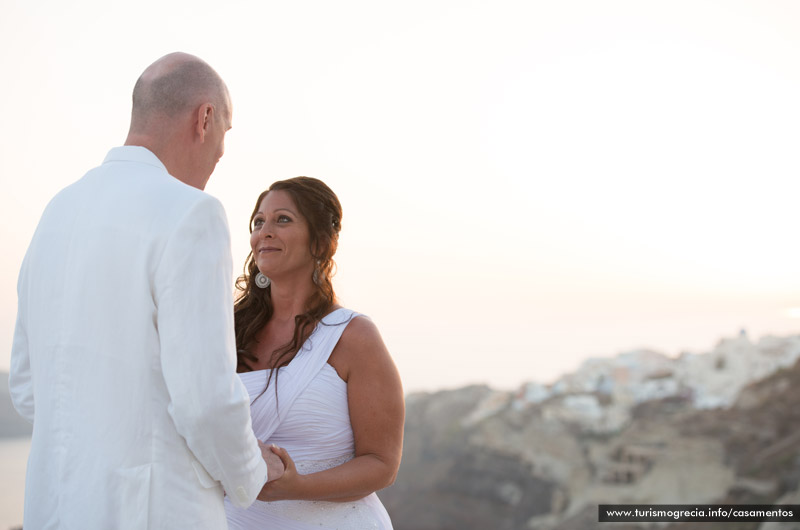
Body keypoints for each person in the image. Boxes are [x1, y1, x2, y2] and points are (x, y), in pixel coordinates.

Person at [8, 52, 283, 529]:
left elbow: (27, 386)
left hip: (52, 507)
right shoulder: (192, 213)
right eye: (224, 137)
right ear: (205, 119)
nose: (220, 156)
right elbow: (205, 398)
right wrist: (253, 471)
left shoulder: (57, 212)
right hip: (153, 512)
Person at [224, 177, 405, 529]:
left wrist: (296, 487)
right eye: (259, 222)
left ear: (322, 242)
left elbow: (382, 463)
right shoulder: (225, 331)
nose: (266, 231)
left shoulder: (353, 336)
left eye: (283, 219)